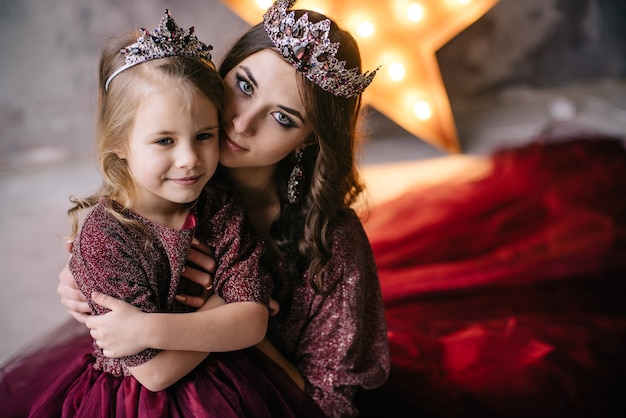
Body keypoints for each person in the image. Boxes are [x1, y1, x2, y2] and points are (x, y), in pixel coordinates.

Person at [5, 1, 390, 417]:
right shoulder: (173, 181)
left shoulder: (332, 242)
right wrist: (77, 279)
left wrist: (232, 319)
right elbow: (113, 238)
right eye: (244, 86)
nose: (241, 123)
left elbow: (327, 401)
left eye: (282, 117)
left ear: (308, 141)